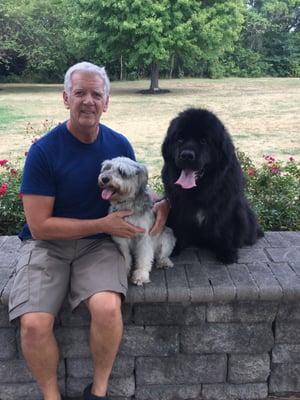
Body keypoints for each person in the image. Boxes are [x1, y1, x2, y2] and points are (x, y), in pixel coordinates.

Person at [8, 61, 170, 400]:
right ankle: (51, 395)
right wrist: (102, 224)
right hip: (47, 245)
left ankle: (97, 392)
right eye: (80, 93)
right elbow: (39, 226)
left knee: (108, 308)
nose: (89, 101)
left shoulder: (119, 144)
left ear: (107, 102)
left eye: (97, 94)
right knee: (34, 323)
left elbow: (142, 194)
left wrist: (166, 204)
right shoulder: (44, 152)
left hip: (99, 245)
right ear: (66, 98)